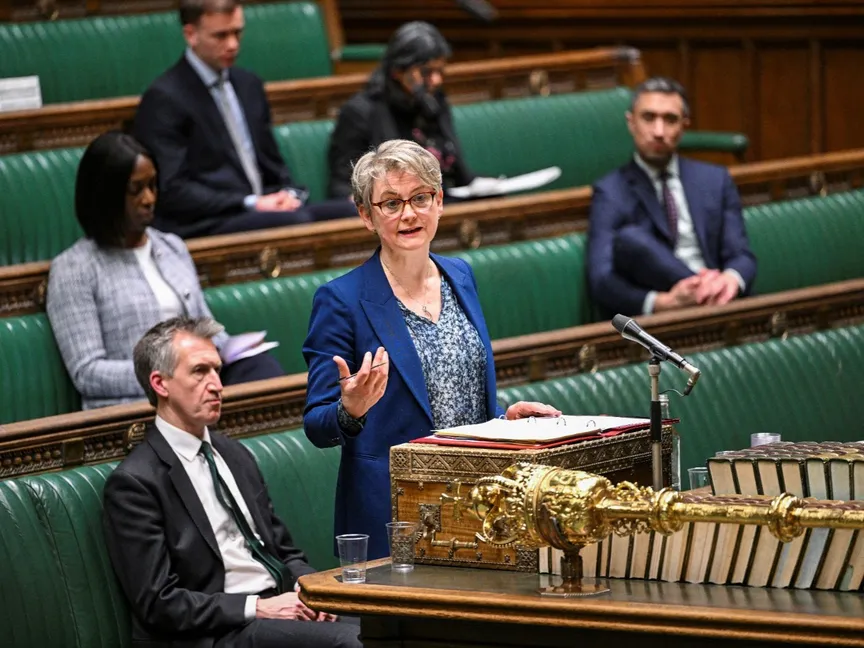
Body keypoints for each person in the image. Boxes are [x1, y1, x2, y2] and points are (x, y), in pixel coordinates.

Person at [303, 139, 561, 559]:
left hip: (476, 505)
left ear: (439, 202)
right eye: (390, 203)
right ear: (366, 215)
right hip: (395, 513)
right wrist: (348, 412)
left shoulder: (459, 275)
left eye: (420, 197)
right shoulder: (340, 300)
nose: (408, 214)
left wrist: (502, 420)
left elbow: (453, 399)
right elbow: (317, 424)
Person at [102, 316, 361, 648]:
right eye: (199, 371)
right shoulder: (135, 483)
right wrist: (258, 607)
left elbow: (283, 550)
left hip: (281, 608)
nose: (217, 385)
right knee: (353, 643)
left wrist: (308, 588)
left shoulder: (232, 453)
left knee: (396, 624)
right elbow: (158, 602)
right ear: (160, 383)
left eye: (217, 370)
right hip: (219, 633)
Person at [46, 131, 283, 410]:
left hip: (197, 383)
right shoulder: (74, 269)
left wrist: (227, 347)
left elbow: (205, 326)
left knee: (261, 369)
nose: (149, 198)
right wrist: (169, 373)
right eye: (136, 190)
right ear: (105, 196)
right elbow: (87, 373)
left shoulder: (171, 247)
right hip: (140, 403)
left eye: (152, 186)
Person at [133, 0, 356, 238]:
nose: (232, 45)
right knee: (294, 221)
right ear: (191, 34)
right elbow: (172, 189)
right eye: (220, 36)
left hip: (266, 210)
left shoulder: (248, 85)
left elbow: (272, 164)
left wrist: (287, 194)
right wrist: (250, 203)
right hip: (208, 220)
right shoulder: (165, 98)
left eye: (237, 33)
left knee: (356, 211)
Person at [586, 77, 757, 319]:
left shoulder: (714, 179)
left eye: (670, 120)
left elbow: (742, 256)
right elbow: (601, 279)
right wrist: (663, 302)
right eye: (648, 118)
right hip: (665, 318)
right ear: (631, 123)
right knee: (631, 239)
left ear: (684, 126)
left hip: (724, 305)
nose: (659, 132)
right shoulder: (611, 191)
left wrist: (729, 280)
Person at [327, 21, 475, 200]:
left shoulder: (435, 101)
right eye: (426, 72)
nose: (436, 80)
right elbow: (343, 185)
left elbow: (456, 167)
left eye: (440, 71)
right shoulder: (361, 112)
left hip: (444, 199)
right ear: (398, 71)